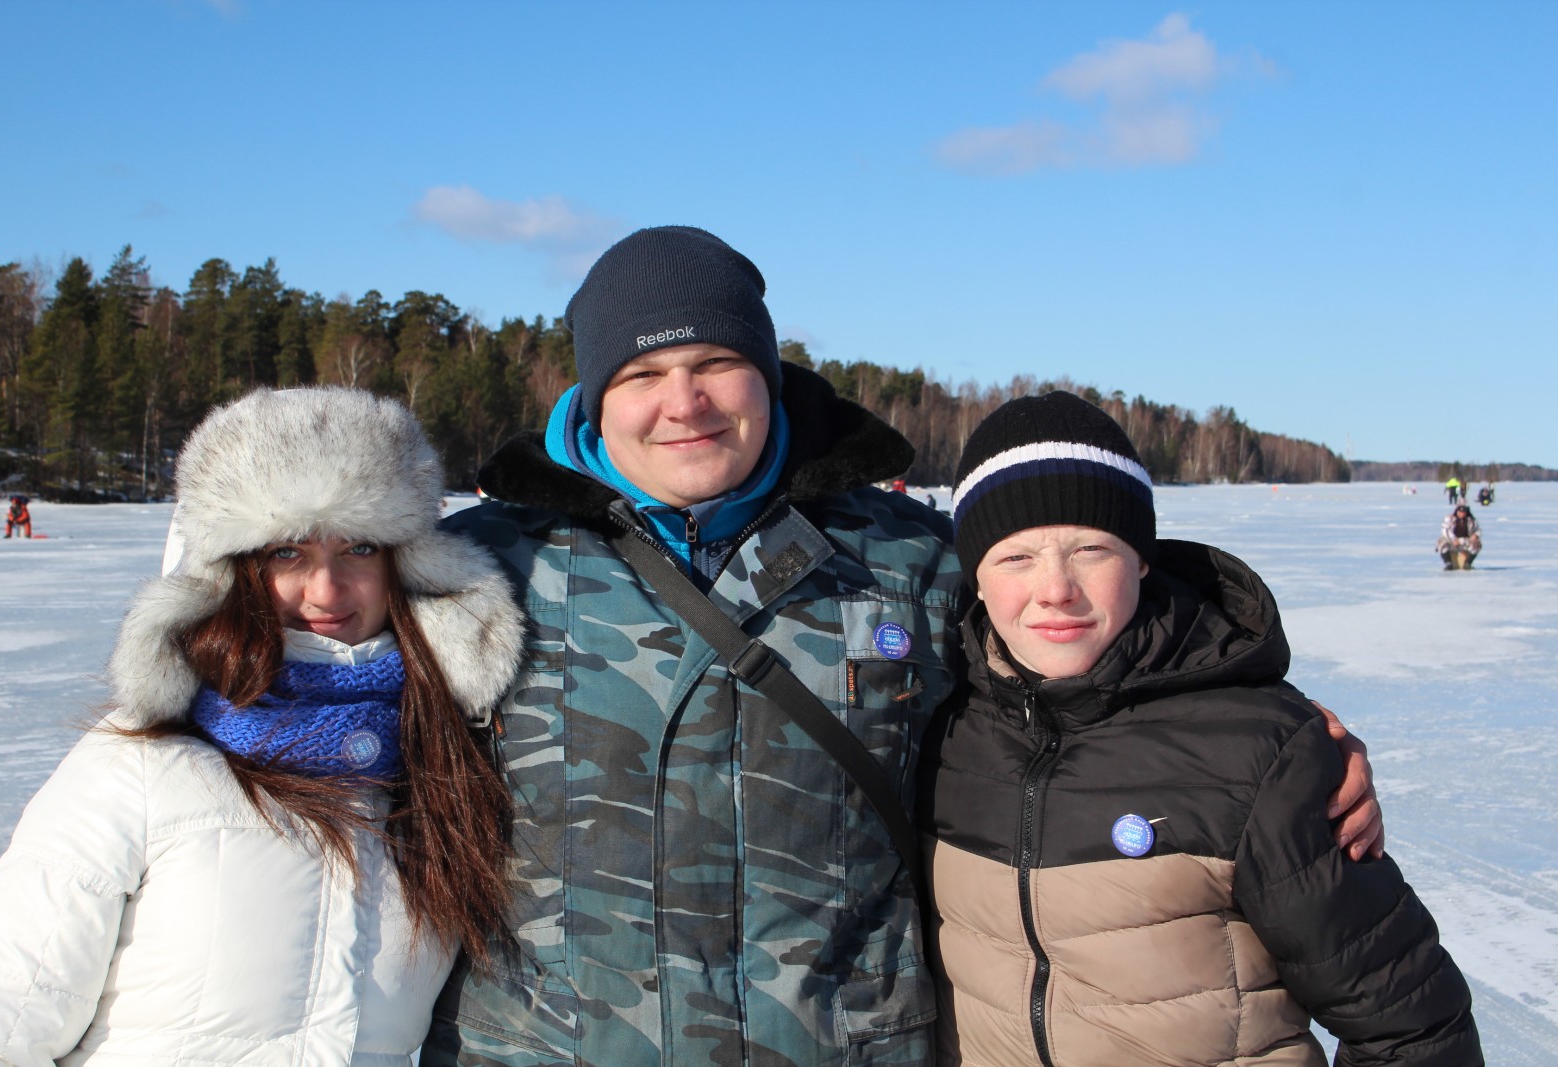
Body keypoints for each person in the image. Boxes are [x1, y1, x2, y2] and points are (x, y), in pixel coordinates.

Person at [424, 226, 1383, 1066]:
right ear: (593, 395)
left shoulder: (910, 563)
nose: (685, 402)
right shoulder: (477, 568)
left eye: (716, 362)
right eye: (641, 375)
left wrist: (1281, 754)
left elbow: (1104, 670)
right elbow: (341, 729)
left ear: (768, 375)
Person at [0, 387, 527, 1065]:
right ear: (231, 570)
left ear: (403, 563)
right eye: (287, 552)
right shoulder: (140, 765)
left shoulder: (440, 766)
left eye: (359, 547)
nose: (326, 589)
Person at [918, 392, 1480, 1066]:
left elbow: (1411, 1027)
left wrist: (1301, 754)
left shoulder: (1253, 749)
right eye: (1016, 558)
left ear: (1141, 559)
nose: (1056, 587)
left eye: (1091, 548)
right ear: (976, 577)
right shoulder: (936, 730)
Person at [1437, 502, 1482, 569]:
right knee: (1442, 542)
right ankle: (1448, 563)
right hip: (1451, 541)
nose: (1462, 514)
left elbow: (1477, 530)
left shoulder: (1471, 521)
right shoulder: (1449, 519)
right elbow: (1445, 530)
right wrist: (1454, 539)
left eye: (1463, 512)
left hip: (1465, 541)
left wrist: (1476, 535)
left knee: (1476, 544)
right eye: (1460, 512)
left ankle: (1468, 564)